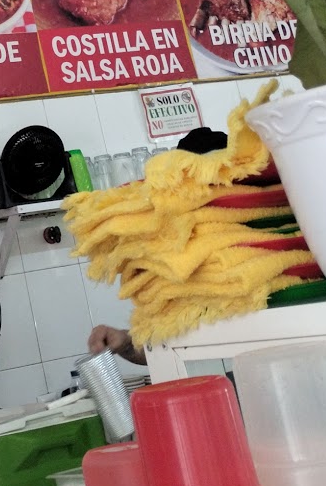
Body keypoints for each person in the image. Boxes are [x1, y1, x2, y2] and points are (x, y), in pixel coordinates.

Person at [86, 125, 230, 370]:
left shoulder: (262, 246)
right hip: (206, 386)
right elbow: (165, 346)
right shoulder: (171, 262)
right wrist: (124, 343)